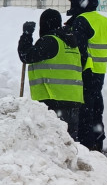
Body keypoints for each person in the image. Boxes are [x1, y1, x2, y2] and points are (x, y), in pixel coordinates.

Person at [18, 8, 83, 140]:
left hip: (53, 99)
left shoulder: (50, 41)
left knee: (51, 142)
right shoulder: (72, 44)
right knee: (69, 142)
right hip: (73, 101)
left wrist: (26, 35)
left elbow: (27, 56)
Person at [64, 0, 107, 152]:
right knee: (97, 107)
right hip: (100, 71)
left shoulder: (82, 21)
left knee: (85, 110)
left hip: (87, 72)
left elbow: (80, 49)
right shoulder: (104, 20)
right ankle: (98, 141)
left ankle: (86, 144)